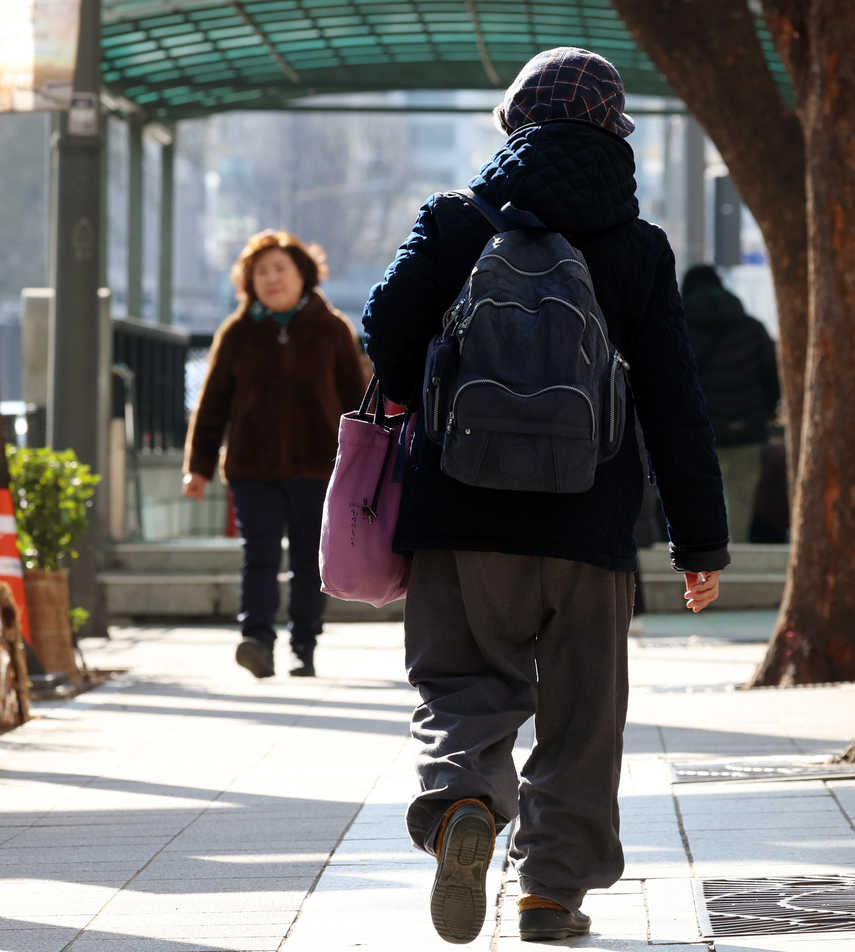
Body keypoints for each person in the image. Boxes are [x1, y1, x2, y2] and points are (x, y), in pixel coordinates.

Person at [361, 47, 729, 944]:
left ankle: (462, 802)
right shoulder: (638, 248)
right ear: (615, 134)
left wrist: (428, 391)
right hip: (591, 527)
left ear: (515, 123)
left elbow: (383, 326)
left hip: (461, 515)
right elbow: (677, 403)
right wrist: (700, 544)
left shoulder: (454, 222)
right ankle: (550, 893)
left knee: (458, 681)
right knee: (583, 716)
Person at [183, 231, 368, 680]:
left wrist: (366, 465)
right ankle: (258, 641)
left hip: (317, 467)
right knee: (259, 553)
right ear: (249, 283)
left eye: (279, 269)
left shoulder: (333, 328)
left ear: (302, 273)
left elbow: (356, 398)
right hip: (252, 468)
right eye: (260, 272)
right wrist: (198, 468)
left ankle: (304, 645)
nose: (271, 279)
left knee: (308, 559)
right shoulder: (237, 332)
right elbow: (211, 406)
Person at [681, 265, 781, 543]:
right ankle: (734, 553)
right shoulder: (752, 328)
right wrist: (765, 410)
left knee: (696, 494)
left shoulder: (679, 329)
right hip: (746, 427)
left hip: (697, 430)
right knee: (740, 495)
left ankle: (700, 553)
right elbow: (772, 375)